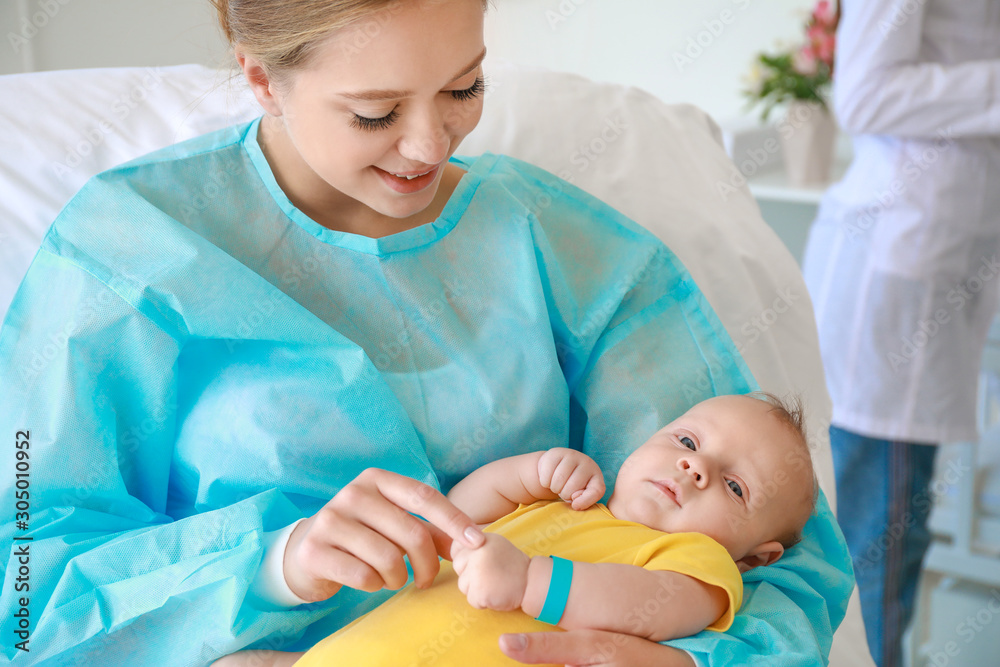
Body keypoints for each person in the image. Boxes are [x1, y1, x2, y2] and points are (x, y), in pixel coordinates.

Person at [0, 1, 852, 665]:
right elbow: (26, 592)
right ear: (261, 79)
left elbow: (777, 541)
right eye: (374, 113)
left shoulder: (559, 242)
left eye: (463, 89)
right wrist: (269, 563)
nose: (428, 144)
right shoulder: (128, 247)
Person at [214, 393, 816, 666]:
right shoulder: (575, 507)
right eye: (686, 441)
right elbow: (458, 517)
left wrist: (532, 581)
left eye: (735, 487)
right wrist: (528, 474)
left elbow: (651, 609)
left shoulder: (698, 561)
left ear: (755, 557)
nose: (696, 467)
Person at [800, 1, 1000, 665]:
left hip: (931, 277)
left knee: (893, 549)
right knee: (875, 554)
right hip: (891, 284)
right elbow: (865, 92)